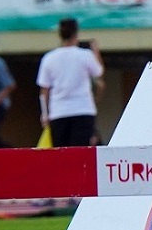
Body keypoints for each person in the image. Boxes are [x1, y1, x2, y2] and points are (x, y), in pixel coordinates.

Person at [37, 17, 104, 147]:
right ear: (76, 33)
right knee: (80, 153)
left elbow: (44, 90)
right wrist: (96, 52)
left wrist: (45, 114)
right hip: (82, 109)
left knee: (62, 155)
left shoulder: (49, 58)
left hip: (59, 112)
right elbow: (99, 72)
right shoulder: (85, 55)